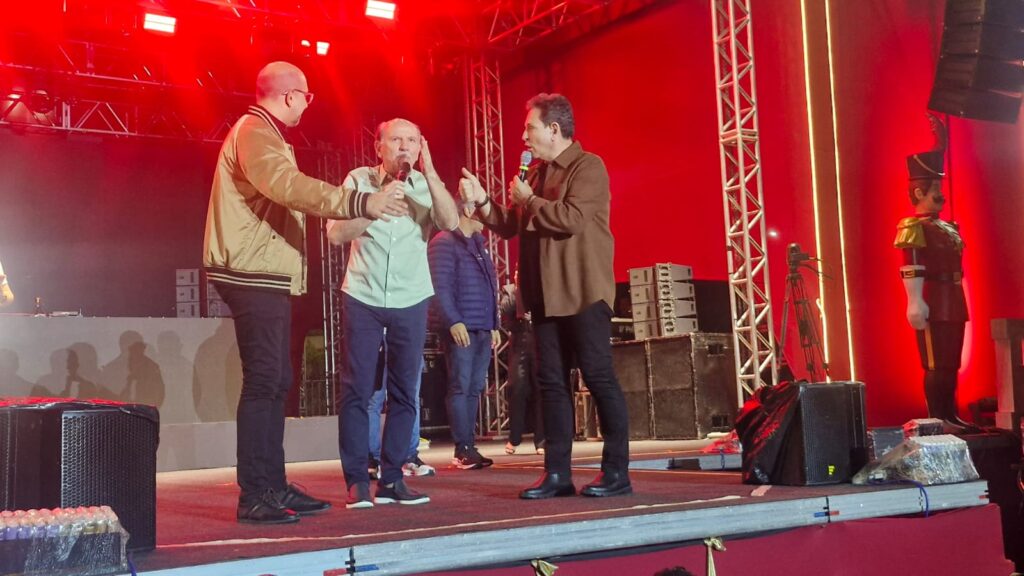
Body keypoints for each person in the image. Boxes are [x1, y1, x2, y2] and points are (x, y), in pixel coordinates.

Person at [203, 61, 407, 525]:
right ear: (291, 95)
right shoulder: (255, 132)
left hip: (261, 270)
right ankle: (256, 493)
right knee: (265, 381)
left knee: (275, 379)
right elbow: (288, 186)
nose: (308, 105)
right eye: (307, 96)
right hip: (251, 271)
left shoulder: (263, 133)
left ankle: (271, 485)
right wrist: (360, 201)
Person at [459, 93, 631, 499]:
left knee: (598, 377)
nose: (524, 137)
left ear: (554, 130)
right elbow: (510, 224)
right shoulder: (536, 175)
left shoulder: (589, 167)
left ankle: (616, 472)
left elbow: (572, 218)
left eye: (530, 129)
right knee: (550, 383)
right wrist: (482, 201)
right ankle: (557, 474)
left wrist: (529, 200)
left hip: (583, 292)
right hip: (545, 299)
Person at [326, 118, 458, 509]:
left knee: (405, 392)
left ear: (420, 148)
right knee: (357, 389)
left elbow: (450, 221)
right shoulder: (358, 179)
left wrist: (431, 173)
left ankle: (392, 479)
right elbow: (335, 234)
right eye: (396, 139)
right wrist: (375, 207)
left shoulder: (426, 185)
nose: (404, 147)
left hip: (410, 297)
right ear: (379, 147)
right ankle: (356, 481)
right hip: (363, 295)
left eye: (412, 141)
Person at [894, 113, 973, 432]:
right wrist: (914, 301)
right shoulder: (912, 226)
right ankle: (939, 417)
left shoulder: (946, 225)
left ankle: (950, 414)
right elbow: (911, 266)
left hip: (952, 298)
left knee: (950, 362)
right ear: (918, 192)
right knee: (935, 363)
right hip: (933, 299)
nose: (940, 193)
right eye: (934, 187)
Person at [428, 203, 500, 470]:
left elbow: (491, 285)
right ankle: (462, 448)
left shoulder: (478, 245)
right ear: (468, 209)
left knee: (474, 387)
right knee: (461, 385)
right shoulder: (444, 242)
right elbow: (440, 286)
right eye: (480, 207)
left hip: (481, 326)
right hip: (461, 326)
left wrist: (494, 324)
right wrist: (453, 320)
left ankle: (469, 446)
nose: (487, 216)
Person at [500, 271, 545, 455]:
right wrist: (519, 289)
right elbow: (505, 309)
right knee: (516, 388)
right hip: (519, 342)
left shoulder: (539, 288)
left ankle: (541, 440)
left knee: (540, 389)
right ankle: (514, 437)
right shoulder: (510, 290)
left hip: (538, 341)